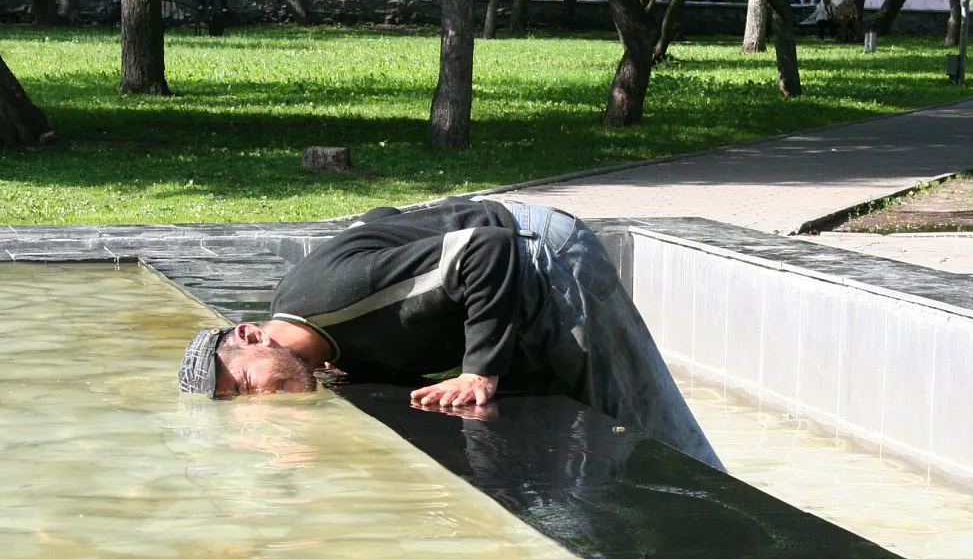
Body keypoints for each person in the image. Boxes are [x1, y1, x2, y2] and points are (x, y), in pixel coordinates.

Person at [178, 198, 723, 470]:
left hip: (538, 253)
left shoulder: (331, 298)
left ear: (251, 336)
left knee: (641, 413)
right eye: (241, 402)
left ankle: (721, 524)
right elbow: (379, 220)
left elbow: (487, 250)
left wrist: (478, 370)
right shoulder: (314, 334)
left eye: (245, 385)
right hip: (510, 280)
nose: (260, 400)